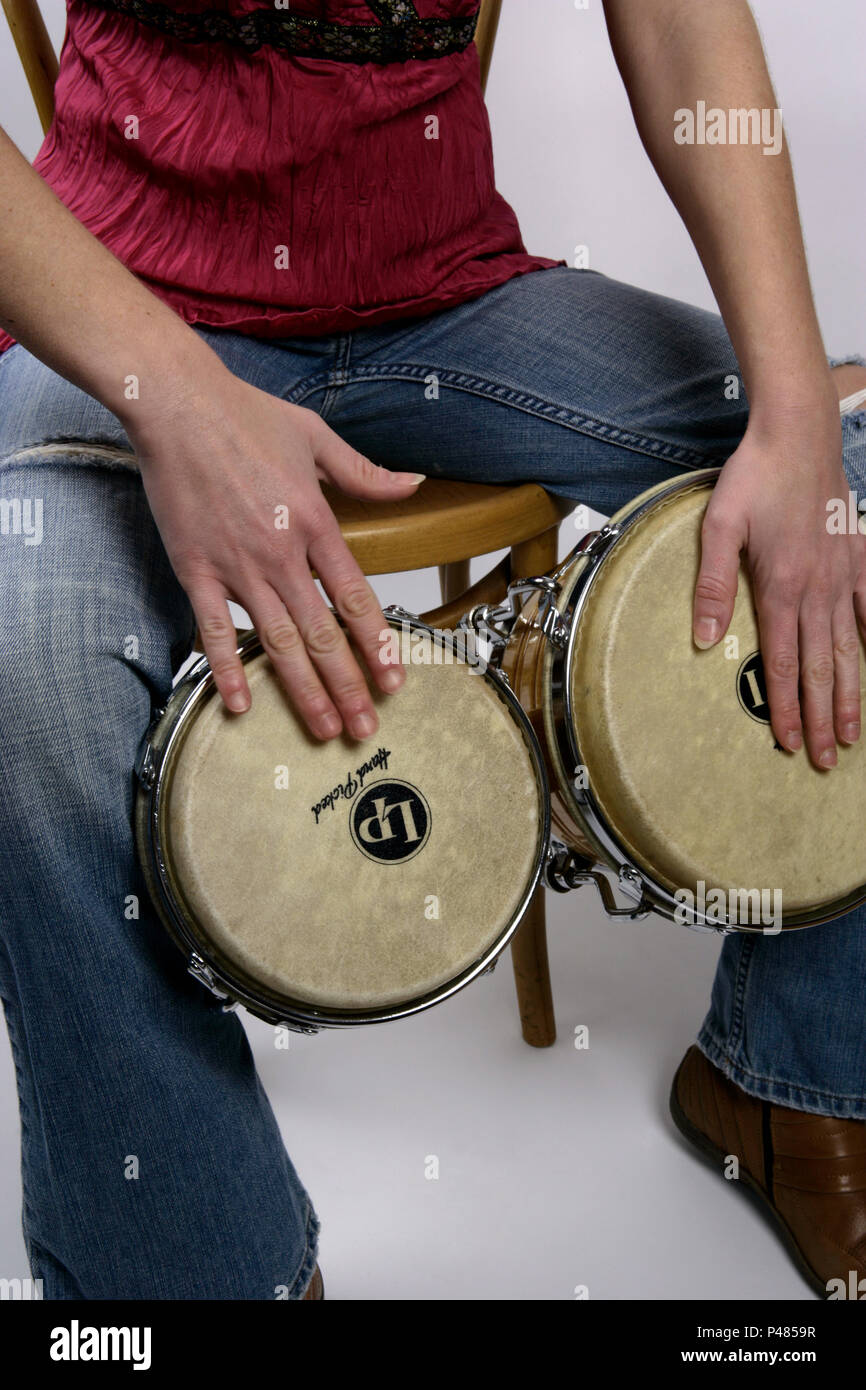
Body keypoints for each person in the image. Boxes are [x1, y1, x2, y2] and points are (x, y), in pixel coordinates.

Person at [0, 0, 864, 1300]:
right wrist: (173, 398)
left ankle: (788, 1088)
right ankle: (186, 1278)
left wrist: (796, 426)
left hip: (449, 307)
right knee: (27, 656)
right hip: (120, 316)